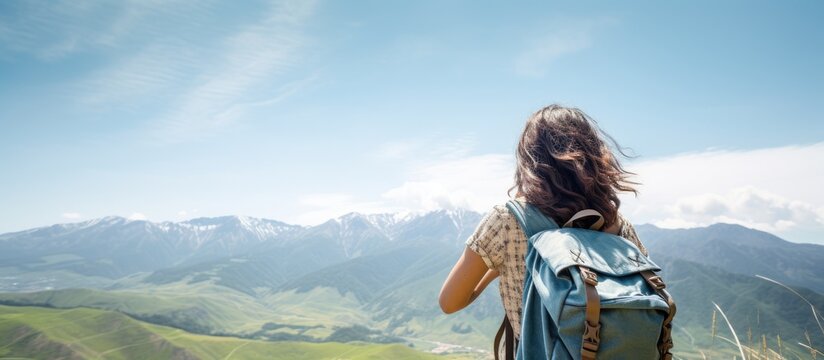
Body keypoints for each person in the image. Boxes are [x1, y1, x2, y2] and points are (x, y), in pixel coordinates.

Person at [438, 104, 649, 346]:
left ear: (529, 160)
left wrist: (494, 270)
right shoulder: (618, 225)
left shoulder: (507, 221)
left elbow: (449, 302)